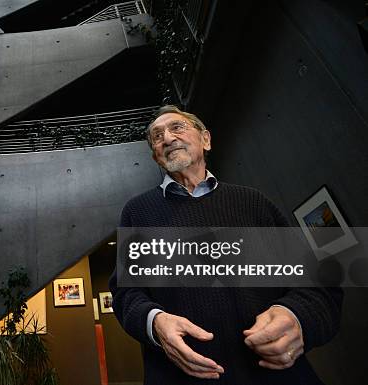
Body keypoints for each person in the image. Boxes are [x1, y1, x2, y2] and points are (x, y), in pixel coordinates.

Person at [109, 105, 342, 384]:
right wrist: (154, 321)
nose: (168, 138)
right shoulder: (138, 213)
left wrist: (298, 316)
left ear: (205, 140)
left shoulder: (252, 202)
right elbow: (126, 294)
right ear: (155, 156)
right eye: (157, 137)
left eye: (177, 128)